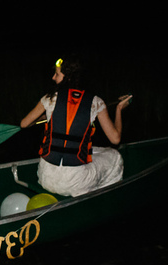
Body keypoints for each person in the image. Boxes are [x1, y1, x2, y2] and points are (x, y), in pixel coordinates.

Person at [20, 56, 132, 197]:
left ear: (68, 78)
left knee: (93, 150)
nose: (53, 77)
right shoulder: (96, 102)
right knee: (115, 156)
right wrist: (119, 110)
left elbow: (24, 124)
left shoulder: (49, 98)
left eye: (57, 74)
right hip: (75, 183)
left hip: (45, 177)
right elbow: (115, 139)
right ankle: (103, 195)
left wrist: (45, 116)